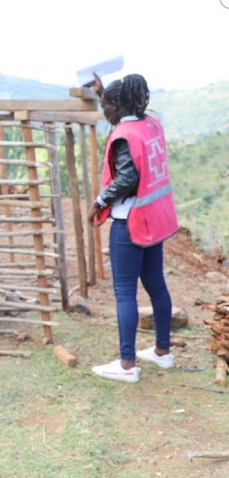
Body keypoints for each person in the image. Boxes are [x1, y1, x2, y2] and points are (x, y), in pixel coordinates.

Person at [88, 73, 179, 383]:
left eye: (104, 106)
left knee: (125, 293)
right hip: (154, 219)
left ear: (116, 105)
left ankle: (127, 366)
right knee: (155, 283)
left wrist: (100, 200)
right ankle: (162, 353)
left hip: (130, 222)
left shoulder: (125, 134)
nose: (103, 113)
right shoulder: (150, 123)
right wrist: (104, 91)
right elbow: (126, 125)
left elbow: (128, 178)